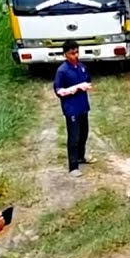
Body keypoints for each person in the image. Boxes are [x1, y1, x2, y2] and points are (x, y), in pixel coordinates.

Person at [53, 40, 96, 177]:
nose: (75, 55)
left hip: (83, 106)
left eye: (77, 52)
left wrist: (86, 85)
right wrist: (76, 88)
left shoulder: (81, 67)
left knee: (84, 133)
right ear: (65, 54)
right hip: (71, 108)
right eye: (72, 53)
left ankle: (81, 157)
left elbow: (87, 80)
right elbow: (59, 91)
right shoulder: (62, 71)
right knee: (74, 137)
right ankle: (73, 166)